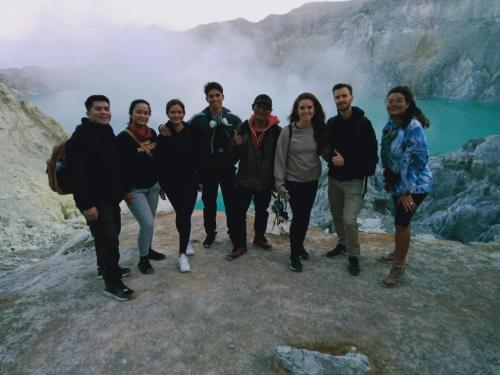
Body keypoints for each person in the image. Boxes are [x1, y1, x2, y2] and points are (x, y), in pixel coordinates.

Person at [69, 95, 134, 301]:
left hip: (110, 197)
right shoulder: (80, 138)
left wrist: (123, 190)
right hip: (95, 200)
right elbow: (76, 176)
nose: (104, 112)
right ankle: (112, 283)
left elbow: (115, 166)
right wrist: (86, 205)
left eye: (107, 108)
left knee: (107, 236)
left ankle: (103, 269)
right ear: (88, 112)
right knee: (109, 241)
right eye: (98, 109)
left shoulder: (106, 132)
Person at [379, 86, 432, 287]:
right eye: (390, 101)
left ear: (408, 103)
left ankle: (398, 267)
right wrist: (389, 178)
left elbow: (418, 160)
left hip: (415, 186)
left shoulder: (413, 127)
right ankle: (397, 252)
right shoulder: (392, 124)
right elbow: (387, 152)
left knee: (402, 223)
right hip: (397, 182)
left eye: (398, 100)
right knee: (401, 221)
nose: (393, 104)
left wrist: (407, 192)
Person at [325, 83, 378, 276]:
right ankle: (342, 243)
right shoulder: (331, 123)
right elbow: (325, 147)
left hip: (354, 181)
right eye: (337, 97)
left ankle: (354, 255)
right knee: (337, 214)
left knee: (349, 219)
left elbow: (372, 157)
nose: (341, 100)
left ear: (352, 98)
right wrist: (331, 158)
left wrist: (345, 162)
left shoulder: (364, 124)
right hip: (334, 179)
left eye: (344, 96)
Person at [274, 92, 327, 272]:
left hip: (311, 180)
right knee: (299, 217)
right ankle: (294, 255)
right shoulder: (288, 131)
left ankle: (300, 246)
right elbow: (280, 158)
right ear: (297, 110)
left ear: (315, 109)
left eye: (309, 108)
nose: (306, 111)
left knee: (304, 217)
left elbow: (326, 150)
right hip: (293, 182)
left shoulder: (319, 129)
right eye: (302, 108)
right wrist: (279, 183)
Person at [226, 94, 282, 260]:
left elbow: (280, 157)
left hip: (264, 180)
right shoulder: (243, 127)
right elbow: (232, 155)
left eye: (265, 108)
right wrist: (235, 145)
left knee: (261, 211)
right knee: (238, 213)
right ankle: (239, 245)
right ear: (253, 107)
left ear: (270, 111)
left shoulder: (276, 131)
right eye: (259, 107)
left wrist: (278, 180)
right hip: (244, 178)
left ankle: (259, 237)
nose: (261, 110)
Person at [189, 82, 242, 249]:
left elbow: (243, 142)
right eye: (211, 96)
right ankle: (210, 234)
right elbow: (183, 133)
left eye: (217, 95)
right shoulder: (198, 119)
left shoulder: (233, 119)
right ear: (206, 99)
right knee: (209, 204)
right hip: (207, 171)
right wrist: (164, 127)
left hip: (227, 169)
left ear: (223, 97)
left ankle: (233, 233)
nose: (214, 99)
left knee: (231, 204)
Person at [117, 99, 165, 276]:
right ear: (131, 113)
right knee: (147, 222)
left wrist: (161, 184)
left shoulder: (152, 133)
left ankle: (149, 249)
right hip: (135, 190)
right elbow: (119, 167)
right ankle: (143, 259)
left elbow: (158, 159)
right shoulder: (123, 138)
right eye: (139, 112)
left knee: (149, 223)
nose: (142, 115)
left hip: (153, 186)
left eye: (146, 112)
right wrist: (125, 190)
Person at [156, 99, 199, 272]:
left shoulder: (192, 131)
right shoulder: (164, 133)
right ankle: (184, 244)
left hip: (190, 180)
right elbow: (159, 161)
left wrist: (201, 178)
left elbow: (200, 155)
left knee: (185, 213)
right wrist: (161, 185)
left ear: (184, 113)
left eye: (179, 112)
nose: (176, 115)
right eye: (173, 112)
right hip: (171, 182)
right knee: (182, 214)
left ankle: (182, 252)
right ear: (168, 114)